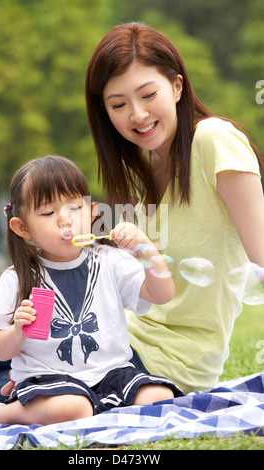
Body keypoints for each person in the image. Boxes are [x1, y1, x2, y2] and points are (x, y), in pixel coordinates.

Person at [84, 22, 264, 394]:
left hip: (167, 364)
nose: (136, 114)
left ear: (177, 87)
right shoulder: (141, 171)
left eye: (148, 94)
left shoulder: (215, 140)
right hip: (116, 336)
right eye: (118, 104)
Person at [0, 155, 181, 425]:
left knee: (160, 396)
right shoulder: (18, 279)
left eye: (75, 208)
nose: (65, 221)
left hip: (111, 373)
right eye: (47, 213)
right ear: (23, 228)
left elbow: (163, 294)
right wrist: (18, 331)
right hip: (51, 381)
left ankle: (100, 411)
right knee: (74, 408)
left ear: (92, 213)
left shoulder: (111, 261)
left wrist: (144, 247)